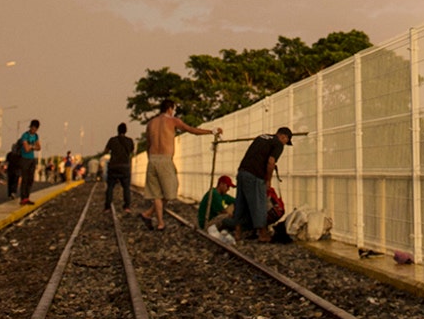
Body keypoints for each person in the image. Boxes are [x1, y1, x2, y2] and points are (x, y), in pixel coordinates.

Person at [137, 101, 219, 231]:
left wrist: (150, 158)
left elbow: (148, 143)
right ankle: (152, 217)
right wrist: (211, 131)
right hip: (165, 159)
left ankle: (157, 221)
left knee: (156, 193)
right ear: (170, 109)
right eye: (174, 109)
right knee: (170, 190)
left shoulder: (151, 123)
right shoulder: (172, 121)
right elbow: (192, 130)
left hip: (152, 159)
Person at [231, 127, 292, 243]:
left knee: (241, 202)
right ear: (284, 137)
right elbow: (271, 162)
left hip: (242, 172)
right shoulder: (278, 143)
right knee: (260, 203)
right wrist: (268, 180)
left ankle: (237, 233)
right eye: (286, 141)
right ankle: (263, 234)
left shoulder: (262, 137)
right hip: (255, 175)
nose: (285, 143)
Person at [103, 122, 135, 211]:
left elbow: (105, 151)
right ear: (126, 131)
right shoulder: (130, 141)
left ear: (117, 130)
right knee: (126, 188)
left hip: (113, 166)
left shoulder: (112, 140)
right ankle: (127, 206)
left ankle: (107, 206)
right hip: (125, 166)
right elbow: (132, 151)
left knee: (110, 187)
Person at [11, 120, 41, 205]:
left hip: (32, 159)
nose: (34, 130)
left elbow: (39, 147)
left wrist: (31, 146)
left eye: (35, 129)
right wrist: (33, 147)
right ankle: (23, 197)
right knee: (25, 179)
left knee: (30, 179)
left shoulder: (35, 136)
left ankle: (27, 197)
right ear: (31, 127)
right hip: (24, 159)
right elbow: (26, 149)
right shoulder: (25, 135)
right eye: (33, 128)